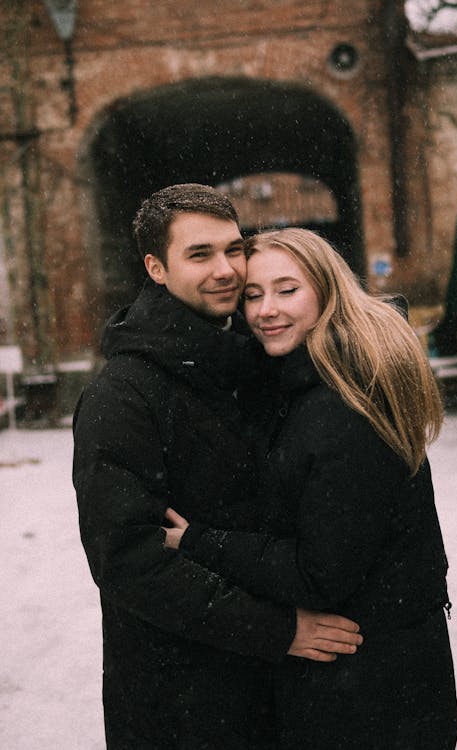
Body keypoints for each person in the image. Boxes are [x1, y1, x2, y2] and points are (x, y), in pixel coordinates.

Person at [72, 187, 362, 750]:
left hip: (271, 689)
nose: (226, 269)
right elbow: (128, 558)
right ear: (156, 268)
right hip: (181, 697)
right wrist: (277, 630)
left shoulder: (253, 362)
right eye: (200, 254)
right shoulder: (124, 394)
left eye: (234, 250)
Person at [165, 227, 457, 749]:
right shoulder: (311, 383)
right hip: (372, 682)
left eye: (287, 290)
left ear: (327, 291)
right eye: (252, 295)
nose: (265, 311)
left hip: (373, 699)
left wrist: (199, 542)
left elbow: (320, 574)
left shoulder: (343, 407)